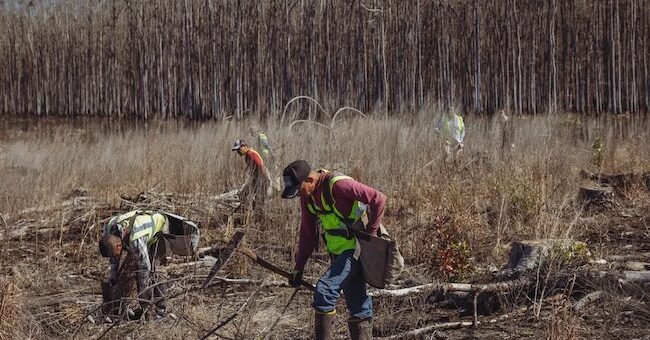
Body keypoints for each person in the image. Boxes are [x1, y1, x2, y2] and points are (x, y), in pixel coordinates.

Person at [281, 160, 387, 340]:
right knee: (357, 304)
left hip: (355, 250)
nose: (298, 195)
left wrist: (371, 235)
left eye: (299, 190)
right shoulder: (308, 198)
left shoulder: (338, 185)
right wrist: (298, 268)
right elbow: (308, 234)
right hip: (337, 253)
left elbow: (378, 198)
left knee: (324, 291)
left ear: (310, 179)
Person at [99, 210, 170, 320]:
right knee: (127, 270)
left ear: (119, 246)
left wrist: (144, 299)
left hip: (160, 229)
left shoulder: (136, 239)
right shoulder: (108, 231)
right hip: (137, 235)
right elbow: (114, 260)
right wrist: (113, 278)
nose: (114, 257)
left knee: (156, 270)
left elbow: (144, 269)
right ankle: (116, 310)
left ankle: (159, 312)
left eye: (115, 254)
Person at [232, 138, 270, 213]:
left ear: (244, 147)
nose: (238, 152)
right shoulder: (248, 155)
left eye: (239, 149)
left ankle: (254, 215)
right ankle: (246, 212)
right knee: (243, 194)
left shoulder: (250, 154)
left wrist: (261, 181)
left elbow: (260, 165)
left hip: (261, 179)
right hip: (257, 179)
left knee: (258, 200)